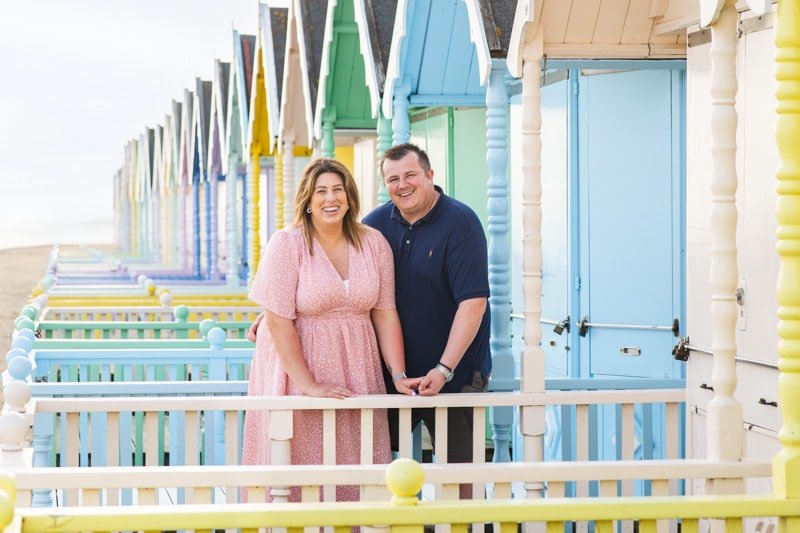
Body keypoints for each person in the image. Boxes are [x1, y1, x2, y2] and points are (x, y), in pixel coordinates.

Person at [242, 158, 419, 502]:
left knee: (358, 459)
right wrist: (307, 384)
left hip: (359, 372)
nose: (330, 198)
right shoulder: (287, 244)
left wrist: (397, 375)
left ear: (350, 197)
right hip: (298, 373)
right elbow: (277, 320)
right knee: (301, 467)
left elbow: (385, 313)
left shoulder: (373, 243)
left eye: (338, 189)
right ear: (307, 200)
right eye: (321, 191)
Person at [362, 143, 491, 490]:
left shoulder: (460, 222)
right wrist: (273, 316)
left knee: (460, 480)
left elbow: (473, 303)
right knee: (377, 471)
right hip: (393, 377)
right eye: (392, 179)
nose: (402, 185)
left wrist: (444, 369)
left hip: (456, 373)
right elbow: (332, 277)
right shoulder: (373, 226)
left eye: (410, 175)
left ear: (430, 175)